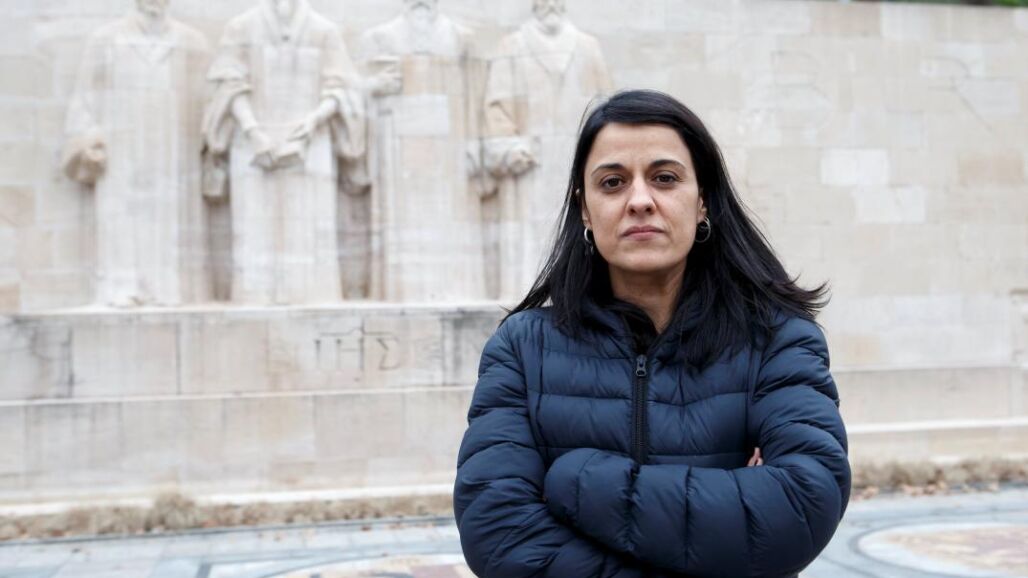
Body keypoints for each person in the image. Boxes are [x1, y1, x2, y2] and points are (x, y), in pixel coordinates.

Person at [453, 90, 850, 577]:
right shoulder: (521, 349)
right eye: (612, 182)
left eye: (664, 178)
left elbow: (801, 506)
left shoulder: (776, 339)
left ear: (702, 201)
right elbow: (499, 536)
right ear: (584, 209)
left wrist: (577, 480)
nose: (640, 201)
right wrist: (729, 520)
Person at [202, 0, 366, 305]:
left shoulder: (323, 30)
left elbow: (342, 88)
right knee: (254, 234)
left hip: (310, 142)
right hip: (252, 142)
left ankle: (313, 297)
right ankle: (254, 299)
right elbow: (228, 85)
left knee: (311, 234)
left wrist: (310, 125)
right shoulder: (241, 27)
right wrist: (254, 131)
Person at [63, 0, 211, 307]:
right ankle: (121, 285)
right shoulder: (106, 39)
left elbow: (208, 103)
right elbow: (85, 98)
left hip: (174, 150)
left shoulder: (192, 43)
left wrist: (211, 148)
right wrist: (87, 140)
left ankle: (169, 286)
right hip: (122, 149)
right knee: (121, 212)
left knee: (170, 210)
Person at [482, 0, 612, 301]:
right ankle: (526, 298)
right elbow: (496, 106)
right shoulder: (512, 45)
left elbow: (606, 105)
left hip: (580, 159)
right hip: (530, 163)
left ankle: (581, 293)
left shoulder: (587, 46)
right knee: (528, 239)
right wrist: (509, 146)